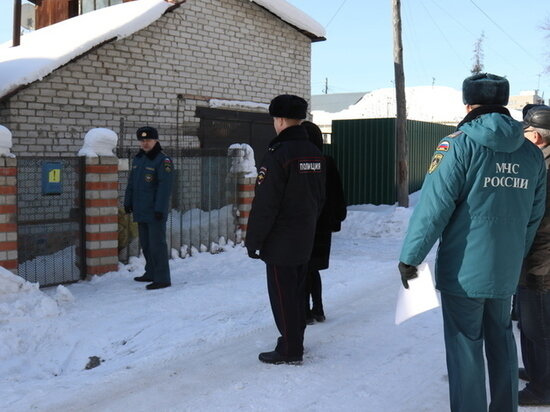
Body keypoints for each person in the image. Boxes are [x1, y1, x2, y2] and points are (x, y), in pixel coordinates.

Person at [398, 73, 547, 412]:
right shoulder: (531, 154)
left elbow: (433, 209)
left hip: (464, 270)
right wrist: (514, 255)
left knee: (465, 345)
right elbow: (533, 217)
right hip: (505, 269)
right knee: (502, 341)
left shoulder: (457, 145)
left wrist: (411, 257)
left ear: (468, 104)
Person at [245, 95, 326, 365]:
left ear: (279, 120)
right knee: (296, 292)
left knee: (283, 297)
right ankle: (295, 341)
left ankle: (291, 349)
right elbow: (319, 197)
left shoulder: (279, 153)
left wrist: (254, 239)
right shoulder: (314, 151)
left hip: (281, 240)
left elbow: (266, 202)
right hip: (305, 235)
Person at [516, 105, 550, 406]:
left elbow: (536, 218)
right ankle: (537, 370)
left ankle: (544, 386)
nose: (521, 135)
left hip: (542, 263)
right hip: (534, 258)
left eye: (525, 130)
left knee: (537, 324)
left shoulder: (545, 169)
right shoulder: (541, 162)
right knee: (529, 324)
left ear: (537, 137)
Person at [301, 120, 347, 324]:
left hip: (305, 224)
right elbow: (338, 195)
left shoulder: (301, 163)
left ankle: (306, 312)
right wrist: (336, 219)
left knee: (302, 268)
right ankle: (317, 309)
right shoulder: (327, 162)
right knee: (313, 269)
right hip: (323, 226)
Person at [124, 126, 174, 290]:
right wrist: (128, 201)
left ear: (156, 141)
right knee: (146, 244)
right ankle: (150, 272)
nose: (145, 143)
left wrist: (160, 209)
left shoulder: (162, 160)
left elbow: (164, 187)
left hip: (154, 212)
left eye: (148, 140)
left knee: (157, 245)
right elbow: (132, 183)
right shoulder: (138, 159)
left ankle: (162, 278)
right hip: (141, 209)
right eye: (142, 140)